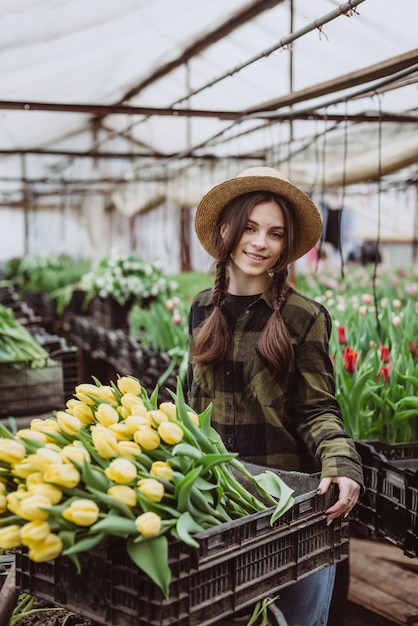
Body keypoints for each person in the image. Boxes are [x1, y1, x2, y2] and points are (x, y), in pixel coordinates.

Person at [187, 166, 364, 626]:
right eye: (249, 227)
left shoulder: (304, 316)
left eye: (274, 233)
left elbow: (318, 408)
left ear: (286, 246)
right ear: (225, 230)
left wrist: (341, 464)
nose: (259, 242)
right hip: (223, 502)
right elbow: (193, 404)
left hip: (290, 507)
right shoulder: (202, 308)